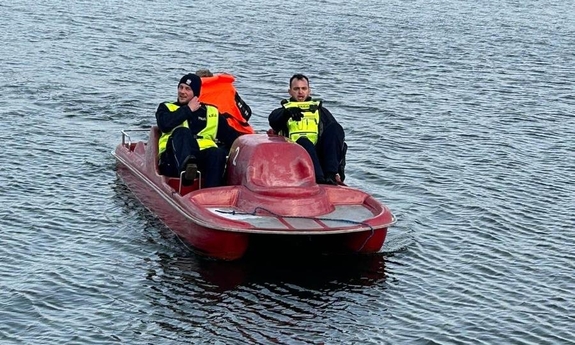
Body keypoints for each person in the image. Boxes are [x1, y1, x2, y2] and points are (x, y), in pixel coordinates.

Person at [156, 73, 239, 188]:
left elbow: (232, 138)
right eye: (181, 87)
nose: (182, 92)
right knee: (182, 132)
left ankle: (212, 193)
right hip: (172, 161)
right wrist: (188, 109)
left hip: (200, 161)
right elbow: (164, 125)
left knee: (217, 153)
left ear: (196, 93)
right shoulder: (167, 108)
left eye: (187, 89)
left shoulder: (211, 112)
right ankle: (186, 172)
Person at [268, 74, 347, 185]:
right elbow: (273, 120)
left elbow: (337, 139)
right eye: (296, 89)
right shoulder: (283, 111)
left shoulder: (320, 111)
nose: (300, 92)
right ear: (290, 92)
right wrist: (287, 113)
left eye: (303, 88)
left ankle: (330, 175)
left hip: (318, 153)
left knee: (335, 128)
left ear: (309, 91)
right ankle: (319, 179)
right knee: (304, 141)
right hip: (296, 156)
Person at [195, 69, 255, 135]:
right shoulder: (228, 88)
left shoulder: (194, 91)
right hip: (236, 130)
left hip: (211, 131)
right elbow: (247, 113)